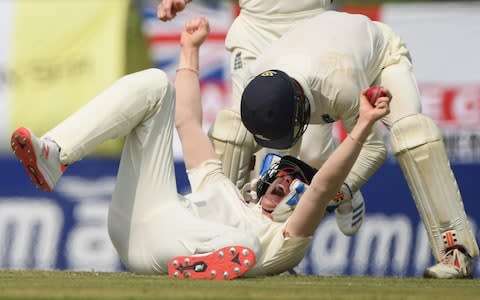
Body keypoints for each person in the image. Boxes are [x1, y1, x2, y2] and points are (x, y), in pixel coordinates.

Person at [10, 17, 391, 280]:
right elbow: (187, 123)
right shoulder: (223, 190)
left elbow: (324, 186)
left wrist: (362, 126)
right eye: (284, 177)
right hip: (140, 222)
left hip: (169, 249)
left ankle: (203, 262)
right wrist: (189, 50)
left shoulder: (285, 243)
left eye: (294, 183)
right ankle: (55, 155)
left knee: (243, 244)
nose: (286, 183)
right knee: (157, 86)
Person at [237, 11, 479, 279]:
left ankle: (455, 252)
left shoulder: (339, 85)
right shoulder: (256, 80)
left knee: (411, 134)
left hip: (379, 62)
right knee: (247, 144)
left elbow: (373, 148)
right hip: (313, 74)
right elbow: (263, 154)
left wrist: (332, 194)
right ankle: (253, 247)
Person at [157, 0, 366, 238]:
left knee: (312, 154)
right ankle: (244, 239)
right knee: (254, 142)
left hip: (314, 28)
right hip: (256, 32)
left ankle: (343, 185)